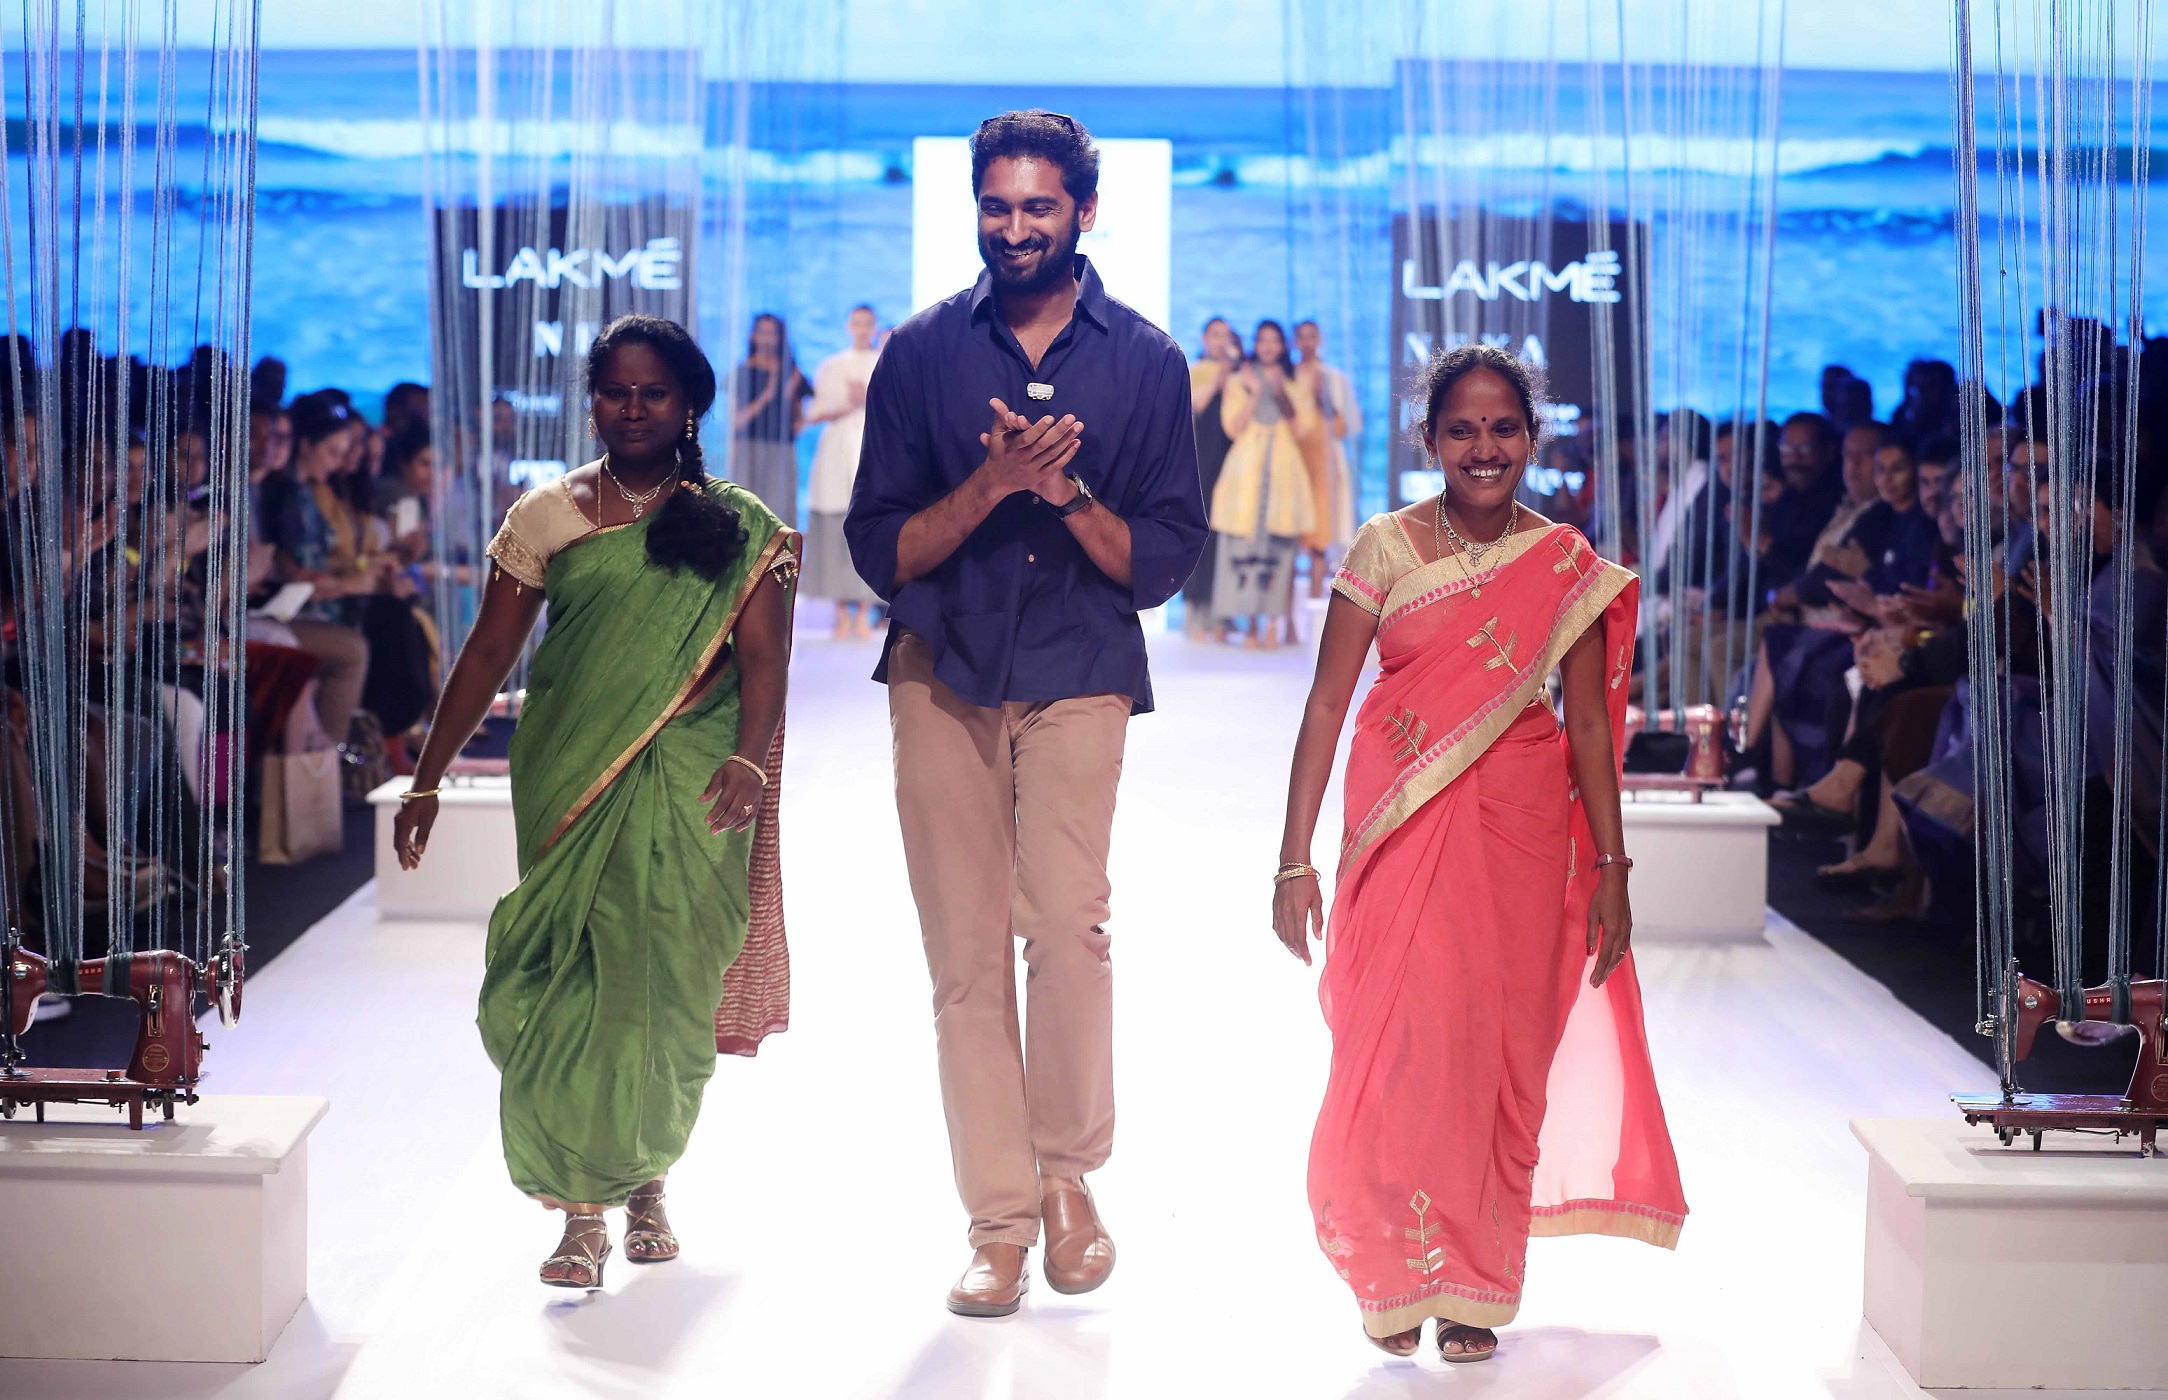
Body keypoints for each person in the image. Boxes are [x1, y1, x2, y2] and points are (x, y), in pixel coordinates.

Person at [844, 109, 1206, 1318]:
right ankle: (996, 1220)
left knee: (1064, 927)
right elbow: (878, 548)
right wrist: (990, 483)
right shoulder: (921, 353)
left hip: (1078, 660)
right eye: (995, 207)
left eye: (1036, 207)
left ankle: (1068, 1179)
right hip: (939, 664)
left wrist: (1060, 492)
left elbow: (1158, 563)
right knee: (960, 959)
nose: (1013, 228)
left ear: (1082, 213)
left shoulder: (1147, 364)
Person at [1273, 343, 1685, 1363]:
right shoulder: (1381, 547)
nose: (1483, 446)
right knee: (1400, 1046)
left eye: (1503, 427)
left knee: (1496, 1055)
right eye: (1461, 428)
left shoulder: (1561, 563)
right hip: (1397, 828)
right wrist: (1292, 857)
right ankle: (1394, 1266)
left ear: (1530, 437)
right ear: (1428, 441)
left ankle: (1470, 1288)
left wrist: (1612, 869)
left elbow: (1587, 724)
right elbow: (1326, 703)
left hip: (1517, 829)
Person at [392, 314, 800, 1290]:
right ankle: (581, 1214)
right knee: (571, 983)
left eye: (652, 391)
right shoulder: (547, 516)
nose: (630, 407)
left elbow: (765, 656)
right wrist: (428, 773)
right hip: (570, 769)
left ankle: (647, 1179)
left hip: (694, 779)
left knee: (660, 983)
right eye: (613, 390)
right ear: (590, 399)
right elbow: (488, 653)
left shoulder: (738, 523)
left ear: (688, 401)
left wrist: (749, 757)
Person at [1210, 319, 1317, 648]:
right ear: (1255, 344)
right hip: (1247, 468)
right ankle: (1251, 625)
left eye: (1275, 341)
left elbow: (1303, 426)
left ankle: (1274, 624)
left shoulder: (1295, 379)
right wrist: (1255, 393)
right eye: (1263, 341)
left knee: (1278, 548)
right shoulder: (1239, 380)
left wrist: (1282, 392)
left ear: (1282, 346)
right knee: (1245, 548)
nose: (1269, 347)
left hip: (1282, 467)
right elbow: (1232, 426)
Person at [802, 305, 883, 639]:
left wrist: (870, 398)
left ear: (874, 326)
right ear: (849, 326)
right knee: (835, 530)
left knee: (870, 527)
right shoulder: (833, 366)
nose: (862, 329)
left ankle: (865, 611)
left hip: (872, 446)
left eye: (868, 323)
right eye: (857, 323)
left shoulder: (885, 360)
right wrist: (848, 404)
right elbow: (816, 412)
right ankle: (840, 613)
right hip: (836, 452)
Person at [1183, 317, 1242, 639]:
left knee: (1225, 535)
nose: (1220, 341)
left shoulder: (1239, 374)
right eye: (1214, 334)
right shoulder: (1194, 370)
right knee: (1201, 530)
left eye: (1225, 335)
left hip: (1230, 461)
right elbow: (1197, 405)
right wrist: (1221, 373)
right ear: (1204, 337)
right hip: (1200, 458)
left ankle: (1222, 611)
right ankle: (1195, 607)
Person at [1294, 318, 1362, 595]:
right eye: (1302, 337)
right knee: (1291, 535)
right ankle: (1286, 623)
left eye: (1312, 336)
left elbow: (1347, 426)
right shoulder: (1289, 375)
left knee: (1321, 537)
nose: (1308, 343)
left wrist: (1324, 397)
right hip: (1294, 460)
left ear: (1319, 339)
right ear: (1295, 342)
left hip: (1325, 460)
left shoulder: (1333, 379)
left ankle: (1313, 604)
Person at [731, 312, 808, 527]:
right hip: (750, 448)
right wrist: (768, 393)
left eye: (771, 333)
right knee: (746, 507)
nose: (766, 338)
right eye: (761, 332)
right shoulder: (744, 371)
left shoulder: (792, 372)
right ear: (753, 336)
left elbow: (799, 423)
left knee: (780, 509)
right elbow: (736, 421)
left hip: (782, 450)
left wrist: (788, 391)